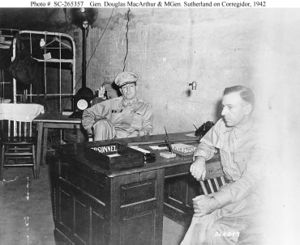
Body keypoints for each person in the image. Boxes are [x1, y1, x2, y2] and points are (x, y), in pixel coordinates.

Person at [181, 85, 265, 245]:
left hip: (258, 201)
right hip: (233, 194)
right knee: (200, 217)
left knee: (217, 231)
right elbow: (206, 143)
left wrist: (214, 202)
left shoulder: (262, 136)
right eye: (223, 106)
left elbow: (249, 182)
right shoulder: (224, 123)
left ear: (247, 108)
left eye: (230, 107)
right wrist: (200, 159)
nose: (222, 112)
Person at [82, 71, 153, 141]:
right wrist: (90, 130)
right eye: (125, 87)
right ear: (121, 91)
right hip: (111, 140)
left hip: (133, 141)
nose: (128, 90)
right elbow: (88, 112)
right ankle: (99, 151)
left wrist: (139, 133)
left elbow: (148, 128)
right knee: (102, 124)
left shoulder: (145, 107)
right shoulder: (112, 103)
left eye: (131, 86)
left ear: (136, 88)